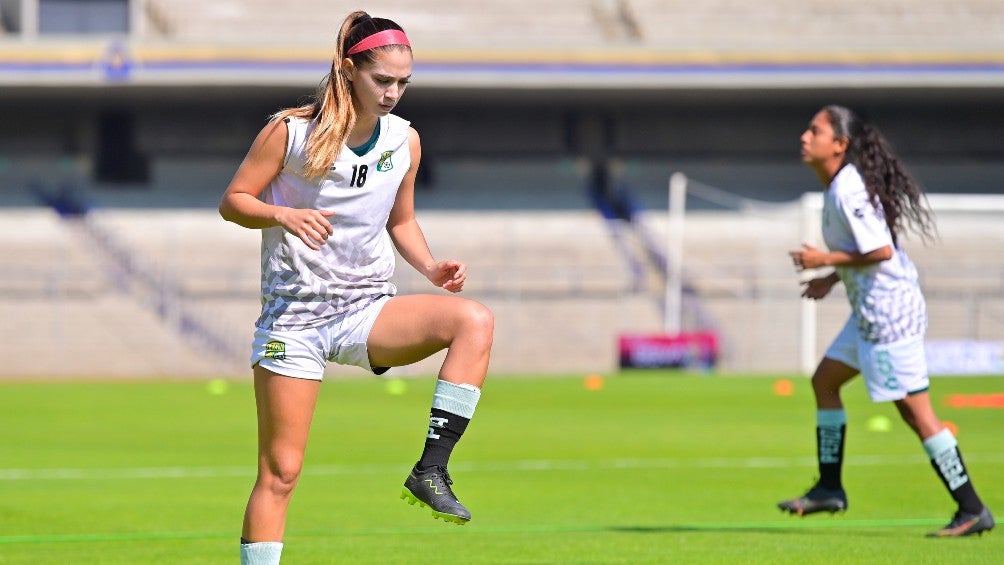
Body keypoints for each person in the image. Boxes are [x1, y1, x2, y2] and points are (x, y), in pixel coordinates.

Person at [219, 11, 494, 564]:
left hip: (366, 309)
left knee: (474, 320)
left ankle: (430, 469)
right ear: (349, 71)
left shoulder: (404, 140)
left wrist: (432, 268)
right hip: (294, 321)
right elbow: (233, 202)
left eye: (403, 83)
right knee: (281, 472)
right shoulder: (290, 131)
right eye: (383, 81)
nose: (394, 93)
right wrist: (282, 215)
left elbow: (400, 222)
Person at [778, 105, 994, 538]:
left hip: (889, 316)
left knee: (918, 416)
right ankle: (829, 488)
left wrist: (825, 260)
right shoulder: (839, 187)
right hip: (868, 314)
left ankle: (971, 508)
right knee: (825, 382)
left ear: (839, 145)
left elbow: (881, 252)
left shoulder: (847, 191)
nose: (805, 137)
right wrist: (829, 278)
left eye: (814, 131)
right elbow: (869, 251)